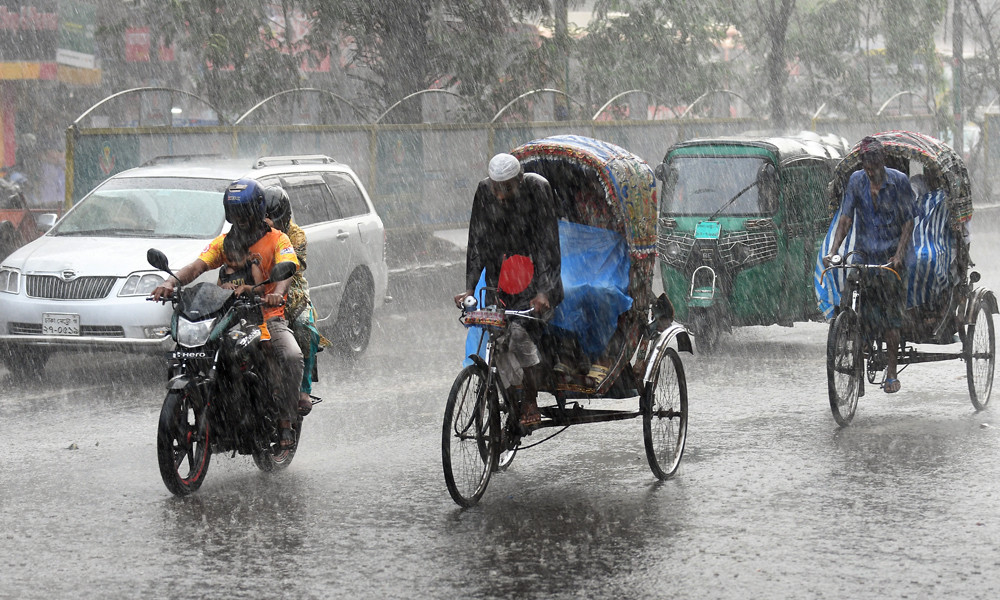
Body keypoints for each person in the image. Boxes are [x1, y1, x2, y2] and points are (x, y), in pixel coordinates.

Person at [151, 178, 303, 447]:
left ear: (257, 210)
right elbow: (198, 266)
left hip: (267, 316)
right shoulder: (224, 242)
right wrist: (171, 282)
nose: (240, 218)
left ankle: (285, 422)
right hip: (229, 319)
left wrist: (277, 291)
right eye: (234, 213)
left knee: (290, 355)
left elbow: (288, 265)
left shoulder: (278, 239)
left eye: (244, 212)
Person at [453, 153, 563, 428]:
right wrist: (468, 287)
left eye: (508, 189)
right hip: (500, 279)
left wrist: (544, 292)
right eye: (496, 189)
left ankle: (529, 399)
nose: (501, 196)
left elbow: (549, 246)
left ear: (519, 180)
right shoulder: (484, 192)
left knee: (518, 333)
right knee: (497, 336)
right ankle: (509, 397)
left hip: (537, 279)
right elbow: (476, 243)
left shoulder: (538, 189)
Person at [824, 136, 915, 393]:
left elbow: (909, 222)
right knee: (851, 288)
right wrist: (833, 251)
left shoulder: (899, 182)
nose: (869, 168)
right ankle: (852, 337)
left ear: (882, 160)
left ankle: (891, 373)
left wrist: (898, 255)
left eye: (873, 162)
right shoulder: (856, 181)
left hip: (892, 256)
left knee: (891, 318)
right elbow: (845, 219)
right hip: (865, 253)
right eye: (865, 162)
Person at [263, 185, 329, 416]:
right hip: (259, 285)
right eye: (264, 216)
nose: (267, 221)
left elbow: (292, 266)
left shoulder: (296, 235)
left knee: (304, 327)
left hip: (290, 286)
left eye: (271, 217)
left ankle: (303, 389)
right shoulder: (251, 232)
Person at [217, 232, 264, 297]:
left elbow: (261, 289)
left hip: (249, 304)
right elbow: (216, 291)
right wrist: (223, 287)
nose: (233, 264)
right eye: (230, 260)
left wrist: (245, 288)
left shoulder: (252, 267)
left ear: (248, 255)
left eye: (238, 260)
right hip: (231, 306)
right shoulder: (223, 271)